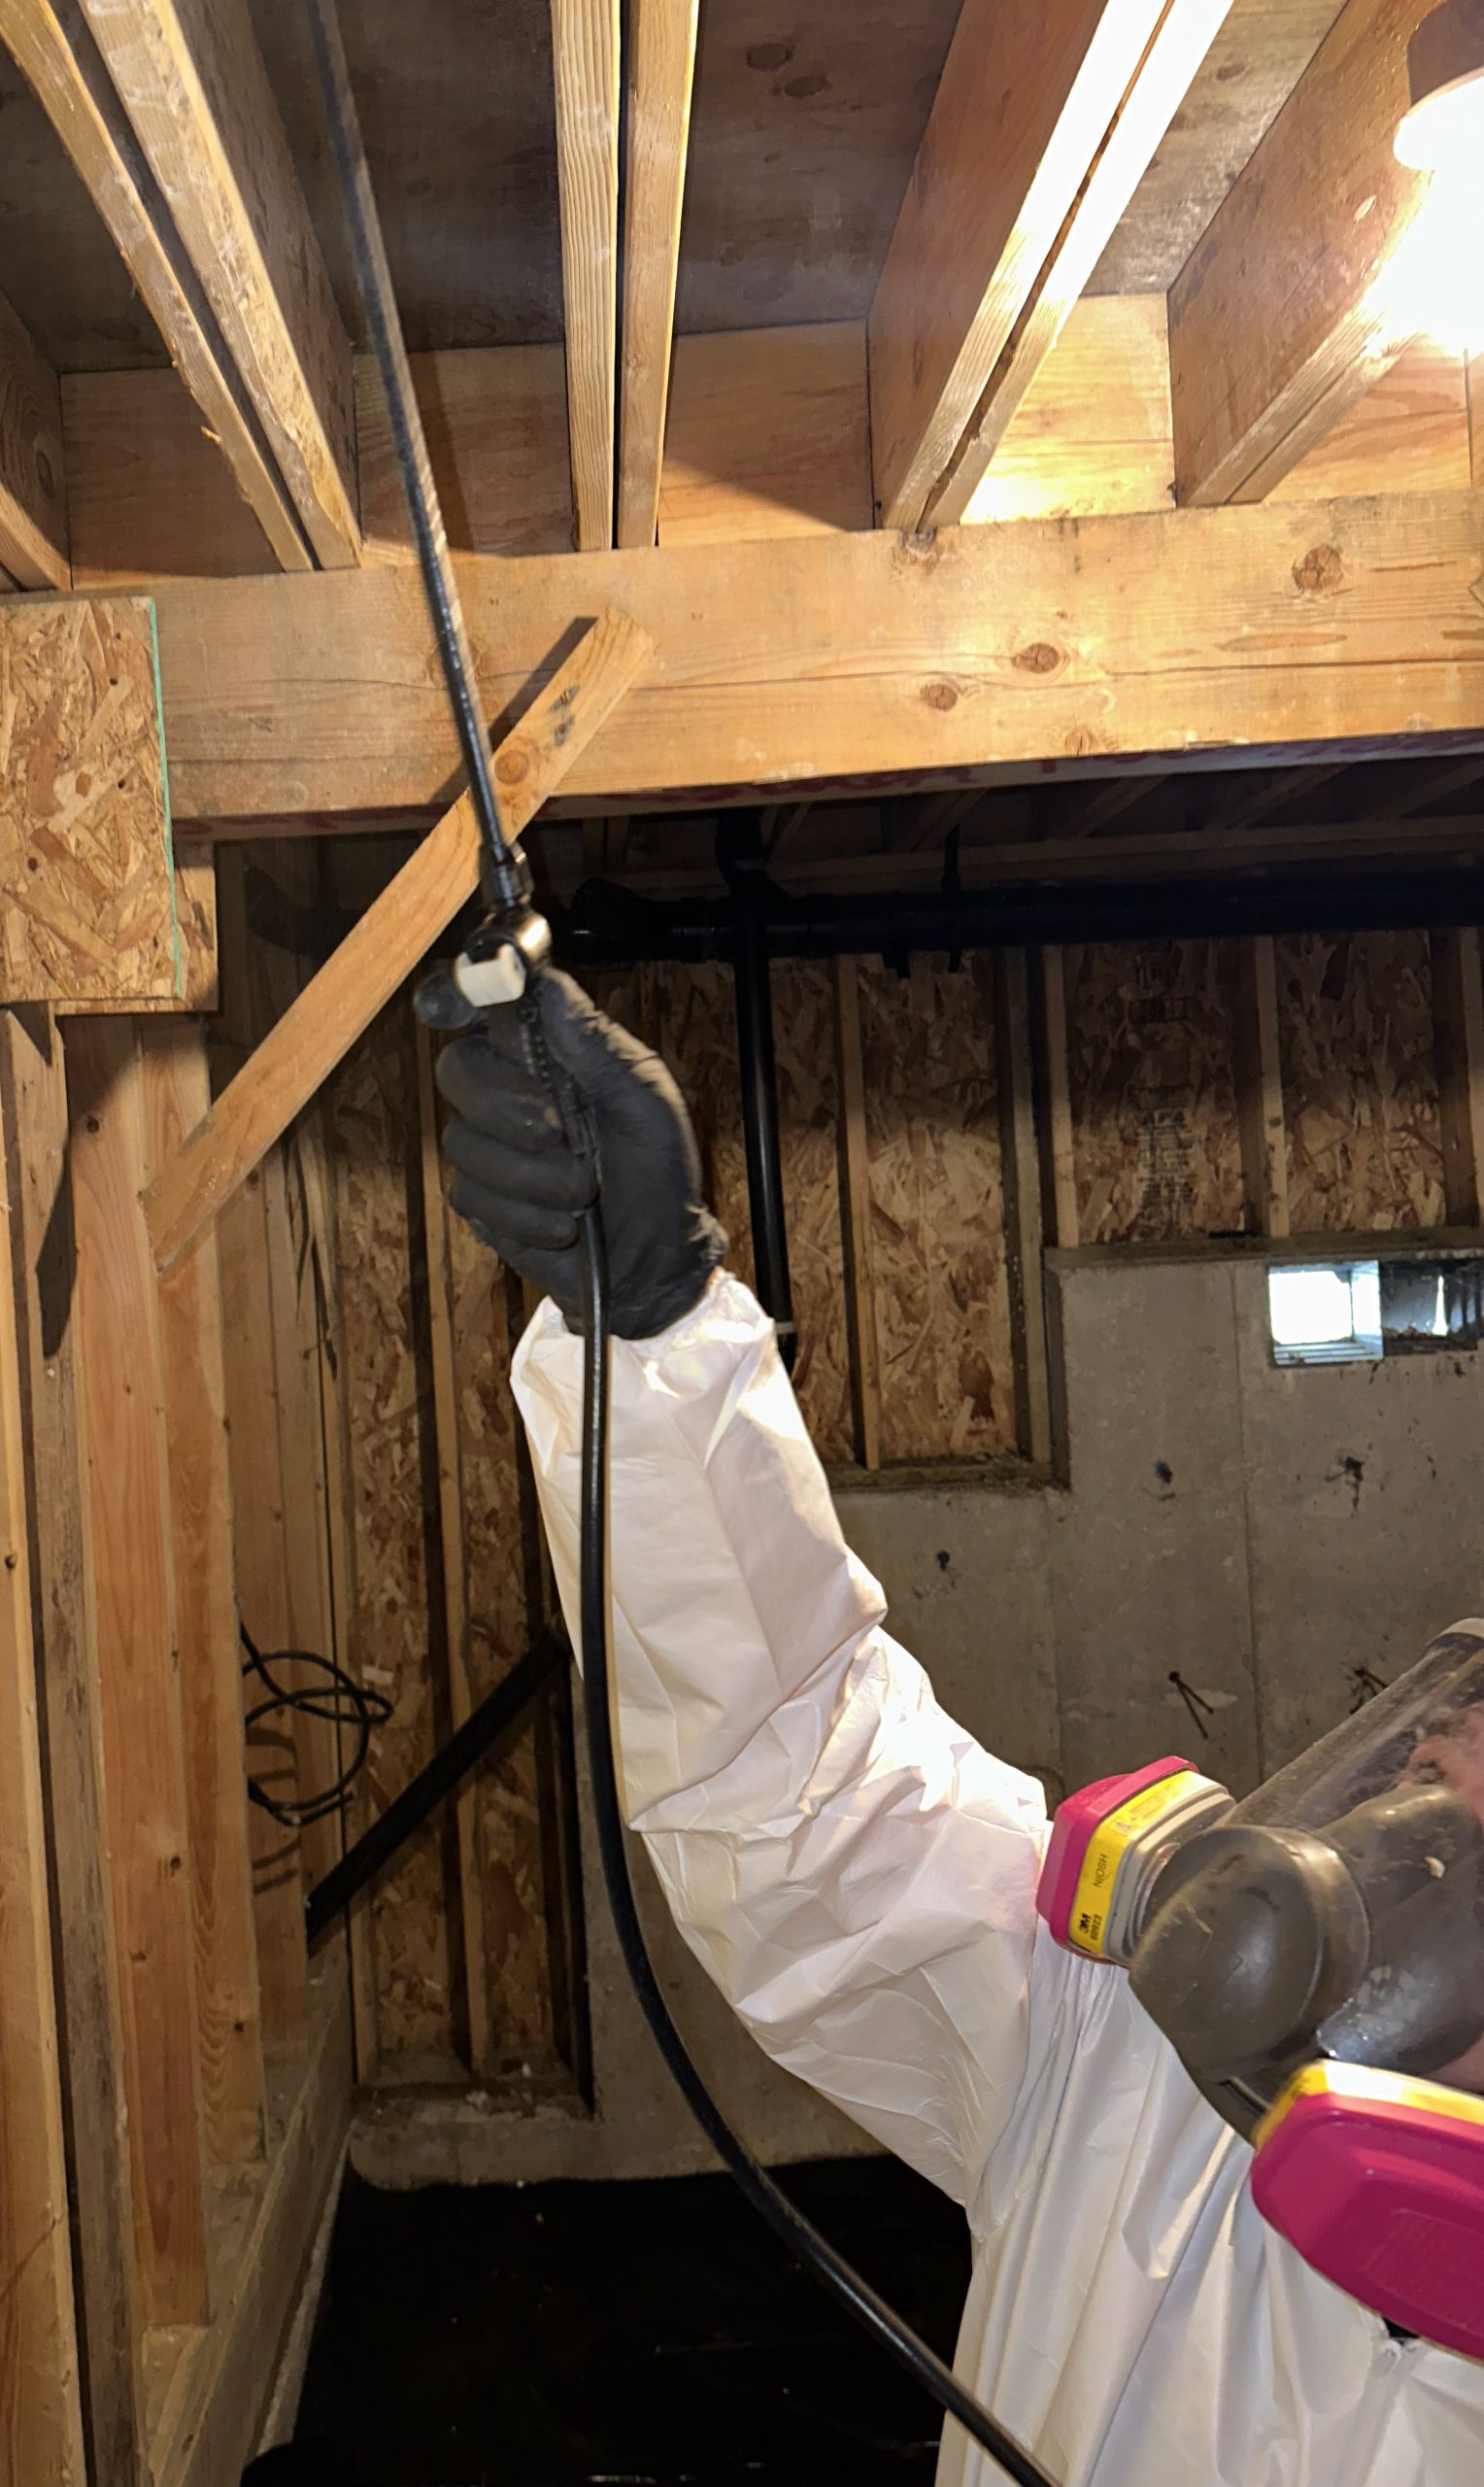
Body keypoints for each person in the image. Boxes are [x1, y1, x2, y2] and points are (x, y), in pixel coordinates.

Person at [426, 968, 1484, 2487]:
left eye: (1463, 1786)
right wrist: (653, 1334)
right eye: (1434, 1743)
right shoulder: (1138, 2056)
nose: (1421, 1772)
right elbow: (800, 1792)